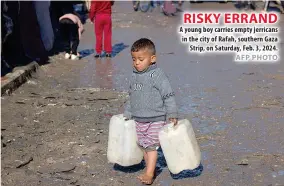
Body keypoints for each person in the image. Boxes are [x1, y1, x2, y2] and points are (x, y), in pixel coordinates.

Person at [123, 38, 178, 185]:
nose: (137, 63)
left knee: (151, 146)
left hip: (156, 118)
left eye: (141, 59)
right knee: (144, 146)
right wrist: (128, 111)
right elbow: (132, 95)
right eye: (134, 59)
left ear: (152, 59)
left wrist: (172, 113)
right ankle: (150, 169)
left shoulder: (158, 75)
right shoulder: (134, 75)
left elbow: (168, 95)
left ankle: (149, 174)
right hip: (139, 118)